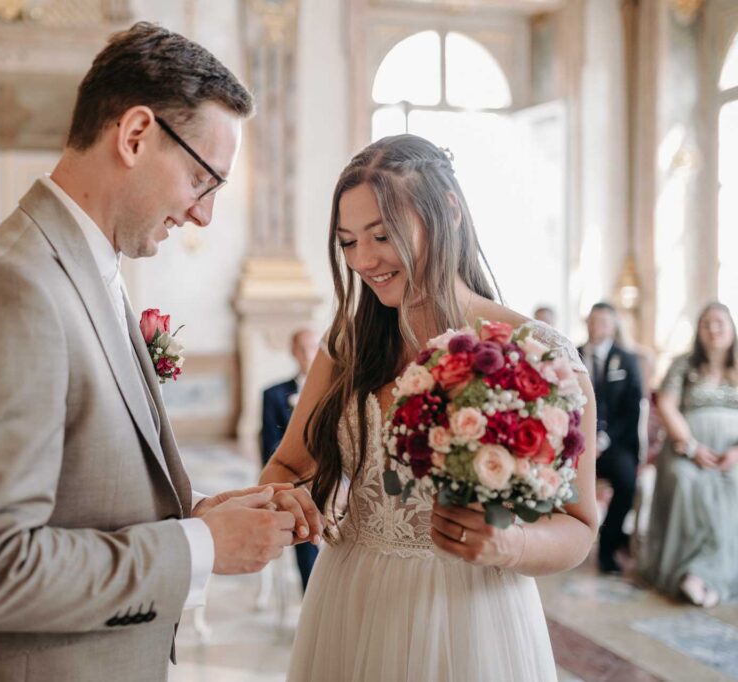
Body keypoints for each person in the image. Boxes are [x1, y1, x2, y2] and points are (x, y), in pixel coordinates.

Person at [0, 23, 320, 682]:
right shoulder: (11, 288)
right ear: (135, 136)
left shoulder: (85, 270)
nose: (204, 216)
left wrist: (199, 515)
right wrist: (201, 548)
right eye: (202, 178)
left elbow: (83, 500)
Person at [259, 134, 599, 681]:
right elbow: (289, 465)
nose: (364, 260)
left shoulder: (536, 352)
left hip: (472, 611)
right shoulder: (345, 344)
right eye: (347, 242)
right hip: (352, 596)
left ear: (448, 212)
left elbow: (578, 526)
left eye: (382, 234)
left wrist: (509, 545)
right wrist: (283, 500)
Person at [639, 302, 738, 607]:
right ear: (699, 332)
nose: (714, 329)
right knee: (686, 482)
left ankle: (706, 575)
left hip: (731, 453)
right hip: (687, 450)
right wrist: (693, 447)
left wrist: (736, 451)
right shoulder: (683, 365)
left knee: (732, 485)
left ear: (732, 328)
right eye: (707, 324)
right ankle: (689, 572)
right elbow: (667, 405)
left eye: (720, 323)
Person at [579, 302, 644, 573]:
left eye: (605, 321)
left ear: (613, 326)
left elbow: (631, 410)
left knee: (627, 481)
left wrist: (602, 442)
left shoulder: (626, 360)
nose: (598, 326)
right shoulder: (572, 353)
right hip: (576, 443)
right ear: (587, 323)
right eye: (594, 320)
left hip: (614, 444)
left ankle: (608, 547)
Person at [261, 328, 321, 591]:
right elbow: (269, 447)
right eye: (303, 348)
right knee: (304, 518)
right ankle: (312, 595)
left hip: (334, 478)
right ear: (294, 352)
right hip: (297, 481)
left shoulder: (340, 387)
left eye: (314, 347)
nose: (310, 354)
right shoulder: (274, 394)